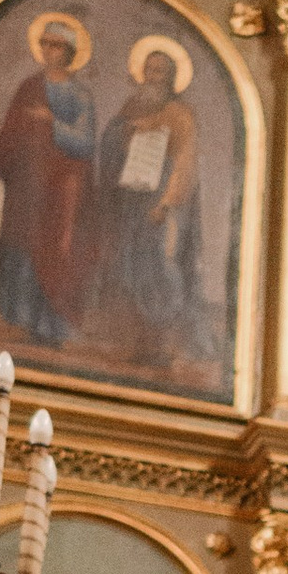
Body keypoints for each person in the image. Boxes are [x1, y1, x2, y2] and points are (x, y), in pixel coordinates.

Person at [90, 41, 207, 381]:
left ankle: (160, 344)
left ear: (171, 79)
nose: (153, 77)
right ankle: (135, 341)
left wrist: (167, 202)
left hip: (160, 203)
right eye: (150, 70)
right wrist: (125, 131)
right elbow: (111, 143)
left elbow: (185, 163)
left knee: (157, 268)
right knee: (126, 265)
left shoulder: (180, 114)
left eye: (161, 72)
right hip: (129, 201)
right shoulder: (131, 108)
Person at [0, 16, 98, 347]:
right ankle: (17, 319)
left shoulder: (80, 95)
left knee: (54, 249)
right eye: (44, 44)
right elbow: (9, 130)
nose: (49, 51)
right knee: (19, 244)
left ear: (70, 52)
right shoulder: (28, 87)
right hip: (26, 182)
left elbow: (86, 142)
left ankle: (51, 326)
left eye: (57, 45)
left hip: (62, 187)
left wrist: (52, 123)